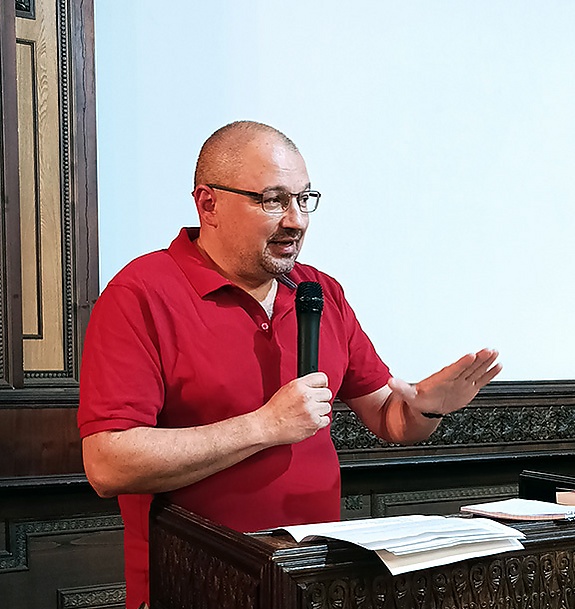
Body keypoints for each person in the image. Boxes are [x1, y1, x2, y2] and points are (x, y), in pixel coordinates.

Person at [78, 120, 501, 609]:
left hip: (315, 580)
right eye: (273, 200)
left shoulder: (320, 291)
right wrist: (264, 426)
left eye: (304, 199)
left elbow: (390, 417)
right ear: (208, 204)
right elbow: (108, 464)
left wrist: (428, 407)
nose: (296, 220)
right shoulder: (141, 294)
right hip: (196, 584)